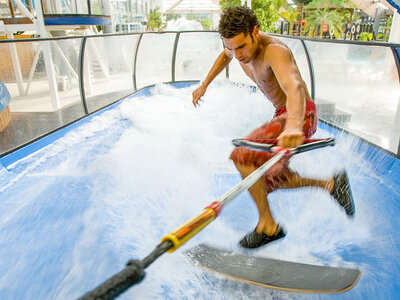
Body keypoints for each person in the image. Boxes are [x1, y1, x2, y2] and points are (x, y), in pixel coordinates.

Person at [192, 6, 355, 249]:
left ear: (255, 32)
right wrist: (204, 84)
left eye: (241, 47)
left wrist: (292, 126)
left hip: (300, 114)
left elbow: (294, 87)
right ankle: (332, 184)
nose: (237, 55)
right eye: (231, 47)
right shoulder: (235, 48)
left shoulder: (275, 52)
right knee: (267, 180)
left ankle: (267, 226)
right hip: (282, 115)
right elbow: (225, 55)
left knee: (242, 157)